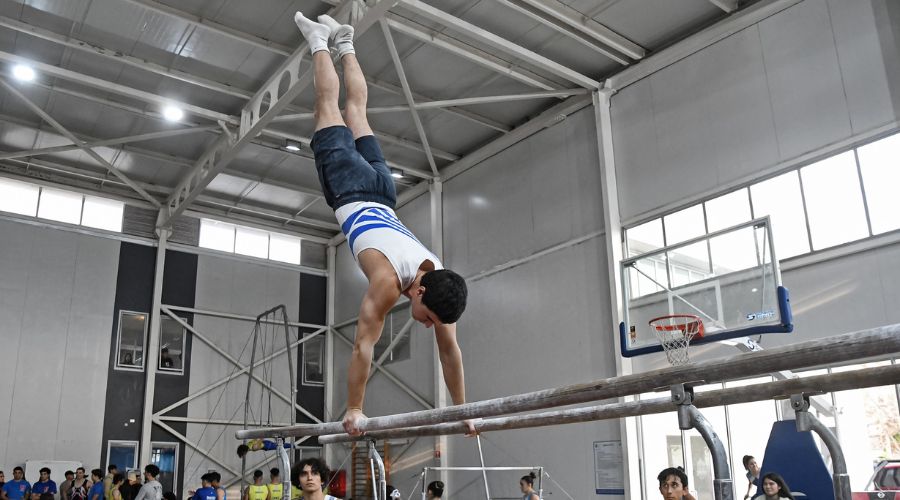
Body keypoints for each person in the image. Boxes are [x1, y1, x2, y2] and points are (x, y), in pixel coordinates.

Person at [292, 11, 472, 436]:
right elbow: (362, 346)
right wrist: (354, 407)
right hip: (352, 191)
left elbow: (451, 354)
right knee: (329, 109)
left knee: (358, 111)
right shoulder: (389, 282)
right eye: (427, 317)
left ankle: (347, 43)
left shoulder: (437, 274)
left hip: (383, 193)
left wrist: (464, 411)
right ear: (422, 291)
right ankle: (320, 41)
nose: (425, 324)